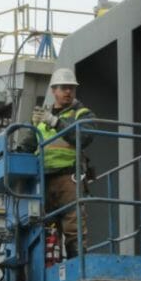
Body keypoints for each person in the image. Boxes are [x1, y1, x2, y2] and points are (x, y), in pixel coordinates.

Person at [32, 67, 93, 256]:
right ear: (53, 91)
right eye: (63, 88)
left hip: (69, 178)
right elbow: (29, 143)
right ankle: (49, 267)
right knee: (44, 228)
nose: (68, 92)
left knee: (73, 226)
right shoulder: (42, 119)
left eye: (71, 88)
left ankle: (77, 266)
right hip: (44, 180)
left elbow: (85, 137)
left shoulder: (81, 114)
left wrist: (55, 122)